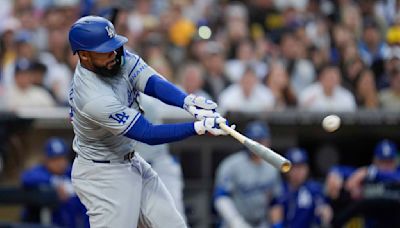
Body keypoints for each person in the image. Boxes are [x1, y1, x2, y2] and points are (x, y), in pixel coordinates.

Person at [68, 16, 231, 227]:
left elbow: (151, 82)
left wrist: (187, 102)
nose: (114, 54)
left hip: (130, 160)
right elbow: (148, 134)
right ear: (84, 56)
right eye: (105, 50)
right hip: (102, 174)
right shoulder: (92, 97)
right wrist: (198, 127)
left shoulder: (115, 58)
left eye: (115, 47)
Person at [214, 121, 282, 228]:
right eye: (254, 141)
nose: (258, 145)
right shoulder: (232, 164)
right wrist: (236, 221)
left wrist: (277, 225)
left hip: (261, 222)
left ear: (268, 141)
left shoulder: (272, 166)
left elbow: (275, 201)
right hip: (235, 222)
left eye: (261, 140)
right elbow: (221, 198)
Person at [21, 137, 88, 228]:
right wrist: (54, 184)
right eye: (54, 159)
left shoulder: (72, 172)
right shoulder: (39, 172)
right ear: (46, 160)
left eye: (61, 158)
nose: (59, 163)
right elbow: (27, 178)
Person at [270, 148, 332, 228]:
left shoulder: (314, 189)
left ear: (307, 168)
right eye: (293, 167)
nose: (297, 172)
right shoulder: (279, 188)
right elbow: (274, 211)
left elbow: (324, 209)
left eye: (301, 167)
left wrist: (324, 212)